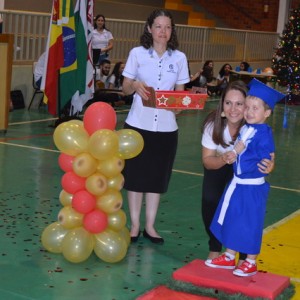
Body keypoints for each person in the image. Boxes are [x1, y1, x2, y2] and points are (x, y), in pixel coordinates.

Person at [121, 9, 190, 244]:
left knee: (156, 178)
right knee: (135, 177)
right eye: (158, 26)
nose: (163, 31)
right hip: (137, 126)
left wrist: (179, 108)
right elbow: (125, 88)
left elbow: (180, 98)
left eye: (168, 27)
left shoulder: (179, 58)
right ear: (149, 28)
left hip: (167, 129)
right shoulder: (137, 54)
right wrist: (136, 85)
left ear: (172, 31)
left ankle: (150, 225)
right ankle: (135, 224)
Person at [205, 79, 285, 277]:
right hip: (238, 184)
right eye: (247, 107)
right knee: (233, 219)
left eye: (254, 108)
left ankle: (250, 260)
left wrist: (271, 163)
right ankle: (230, 256)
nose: (248, 112)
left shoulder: (264, 133)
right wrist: (232, 154)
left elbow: (269, 156)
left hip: (252, 187)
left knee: (250, 222)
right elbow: (238, 151)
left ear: (267, 113)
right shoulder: (247, 128)